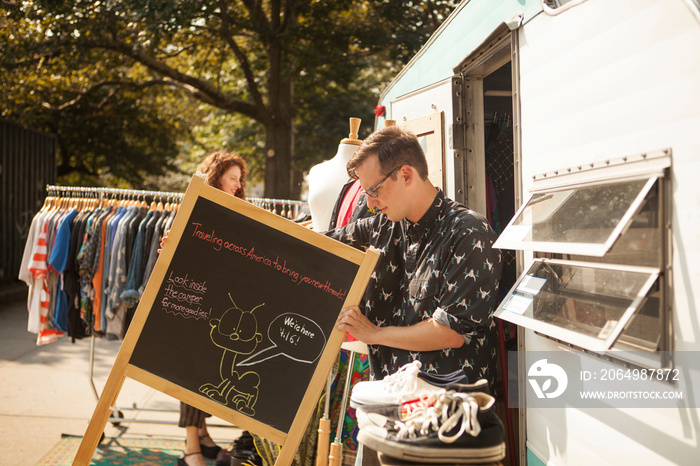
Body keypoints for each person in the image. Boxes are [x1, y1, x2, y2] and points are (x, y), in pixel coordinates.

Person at [331, 124, 503, 392]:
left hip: (449, 415)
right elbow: (320, 243)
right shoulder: (381, 226)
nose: (370, 203)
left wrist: (373, 334)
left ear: (406, 174)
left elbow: (451, 332)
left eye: (374, 190)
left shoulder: (470, 232)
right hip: (390, 401)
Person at [177, 150, 248, 466]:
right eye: (232, 178)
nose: (237, 184)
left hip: (218, 301)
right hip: (194, 299)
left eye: (239, 180)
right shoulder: (202, 204)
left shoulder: (230, 206)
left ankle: (200, 436)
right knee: (192, 371)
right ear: (217, 175)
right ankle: (191, 446)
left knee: (203, 370)